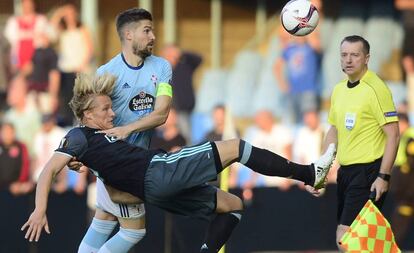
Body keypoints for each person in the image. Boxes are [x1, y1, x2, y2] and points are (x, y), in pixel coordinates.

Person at [21, 73, 336, 253]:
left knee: (233, 204)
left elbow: (96, 160)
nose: (112, 113)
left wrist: (83, 162)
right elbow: (48, 169)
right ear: (87, 115)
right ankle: (309, 173)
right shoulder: (79, 135)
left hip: (155, 193)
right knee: (235, 146)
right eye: (105, 109)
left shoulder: (92, 141)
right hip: (159, 169)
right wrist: (39, 208)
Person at [70, 8, 173, 253]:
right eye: (146, 31)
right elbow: (88, 117)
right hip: (119, 162)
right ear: (128, 34)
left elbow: (162, 114)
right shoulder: (107, 73)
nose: (153, 36)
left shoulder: (162, 67)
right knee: (134, 230)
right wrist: (76, 153)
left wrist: (127, 129)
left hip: (136, 157)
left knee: (103, 220)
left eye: (153, 30)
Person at [305, 35, 400, 251]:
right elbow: (333, 131)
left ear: (366, 58)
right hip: (346, 173)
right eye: (344, 55)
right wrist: (321, 172)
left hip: (368, 172)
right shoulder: (339, 90)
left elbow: (394, 134)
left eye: (355, 55)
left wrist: (383, 176)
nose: (348, 60)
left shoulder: (376, 88)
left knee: (345, 238)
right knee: (360, 240)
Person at [161, 44, 202, 142]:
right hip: (169, 113)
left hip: (185, 110)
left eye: (173, 53)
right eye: (169, 53)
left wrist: (182, 53)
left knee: (185, 139)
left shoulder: (184, 66)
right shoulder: (162, 70)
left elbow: (199, 59)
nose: (172, 56)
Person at [390, 112, 414, 246]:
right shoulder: (405, 136)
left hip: (408, 186)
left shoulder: (410, 136)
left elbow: (410, 161)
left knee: (402, 214)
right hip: (406, 185)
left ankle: (393, 244)